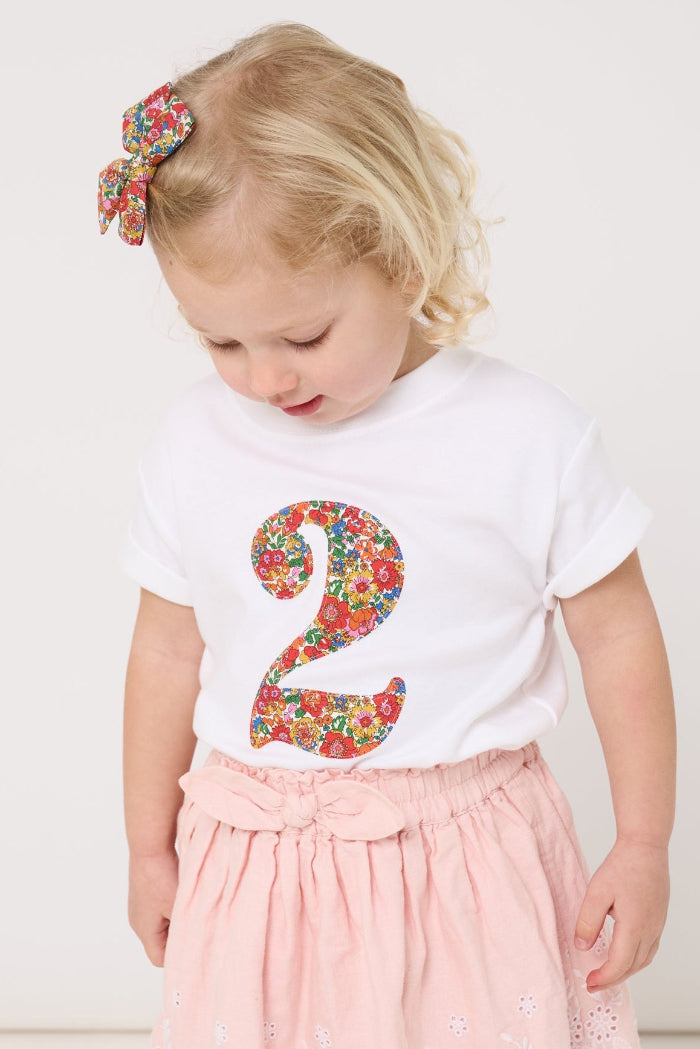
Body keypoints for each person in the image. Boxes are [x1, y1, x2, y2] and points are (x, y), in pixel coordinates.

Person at [100, 21, 676, 1049]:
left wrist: (642, 838)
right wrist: (149, 844)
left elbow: (618, 634)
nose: (264, 378)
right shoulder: (194, 440)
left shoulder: (523, 435)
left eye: (303, 335)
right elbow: (166, 647)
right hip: (254, 861)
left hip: (464, 859)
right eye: (221, 340)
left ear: (404, 260)